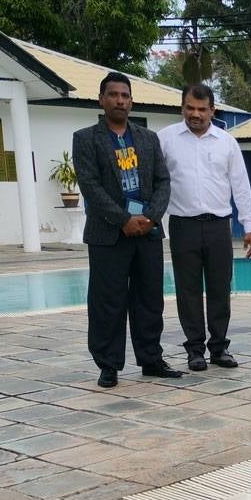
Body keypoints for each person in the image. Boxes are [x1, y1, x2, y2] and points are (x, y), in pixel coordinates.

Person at [72, 72, 182, 388]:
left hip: (147, 230)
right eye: (114, 95)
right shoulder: (86, 138)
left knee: (150, 299)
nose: (120, 100)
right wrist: (123, 219)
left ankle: (151, 359)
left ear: (131, 101)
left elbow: (163, 181)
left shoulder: (148, 138)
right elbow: (90, 186)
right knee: (108, 301)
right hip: (108, 234)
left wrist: (149, 216)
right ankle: (108, 365)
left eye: (125, 95)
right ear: (101, 100)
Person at [158, 83, 251, 372]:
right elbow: (156, 181)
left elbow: (240, 184)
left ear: (213, 110)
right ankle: (194, 350)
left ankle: (219, 347)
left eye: (202, 109)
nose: (196, 114)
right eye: (190, 108)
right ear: (182, 108)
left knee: (219, 288)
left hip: (218, 225)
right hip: (182, 224)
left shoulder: (227, 142)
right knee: (187, 290)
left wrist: (248, 224)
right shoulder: (166, 140)